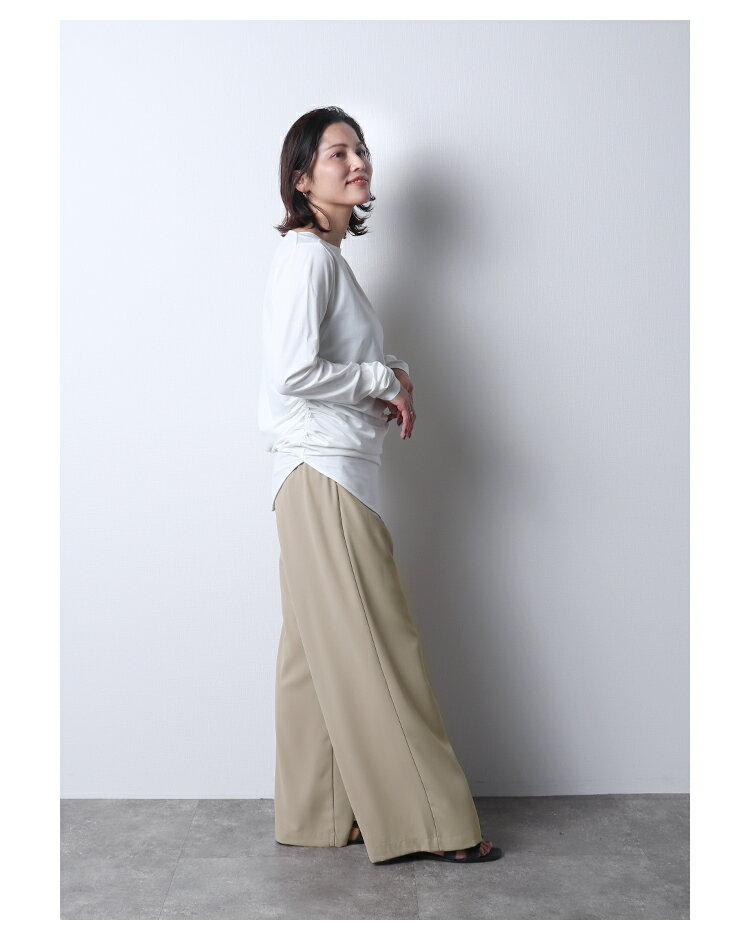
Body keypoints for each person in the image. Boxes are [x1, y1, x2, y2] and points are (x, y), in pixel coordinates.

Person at [257, 106, 502, 865]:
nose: (357, 161)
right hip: (324, 475)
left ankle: (319, 813)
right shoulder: (309, 258)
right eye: (338, 153)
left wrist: (389, 374)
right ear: (303, 178)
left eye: (360, 149)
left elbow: (333, 363)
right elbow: (294, 372)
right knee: (379, 640)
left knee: (313, 652)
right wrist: (382, 379)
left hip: (312, 474)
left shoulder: (326, 262)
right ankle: (433, 823)